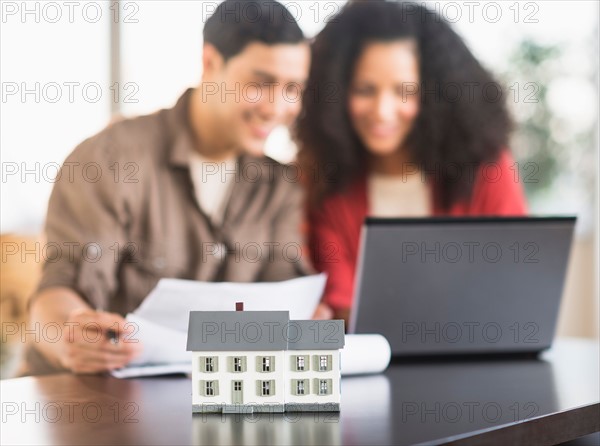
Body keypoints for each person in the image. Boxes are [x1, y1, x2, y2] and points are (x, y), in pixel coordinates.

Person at [26, 0, 312, 375]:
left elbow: (283, 297)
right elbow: (58, 291)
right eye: (261, 84)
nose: (278, 107)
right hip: (83, 400)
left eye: (293, 88)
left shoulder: (278, 187)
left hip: (196, 406)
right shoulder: (110, 160)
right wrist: (70, 336)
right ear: (210, 63)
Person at [297, 1, 527, 324]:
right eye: (365, 89)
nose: (382, 111)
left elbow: (515, 284)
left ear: (434, 95)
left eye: (404, 91)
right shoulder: (324, 181)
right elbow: (341, 304)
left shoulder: (486, 169)